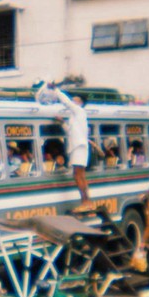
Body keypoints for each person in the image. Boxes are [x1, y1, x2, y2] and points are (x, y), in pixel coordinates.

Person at [37, 82, 94, 212]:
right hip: (77, 147)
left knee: (78, 175)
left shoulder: (79, 111)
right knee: (79, 175)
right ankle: (86, 201)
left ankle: (86, 202)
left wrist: (56, 90)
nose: (73, 101)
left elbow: (67, 102)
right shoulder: (75, 117)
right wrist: (63, 123)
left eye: (76, 100)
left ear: (80, 103)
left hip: (79, 147)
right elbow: (70, 131)